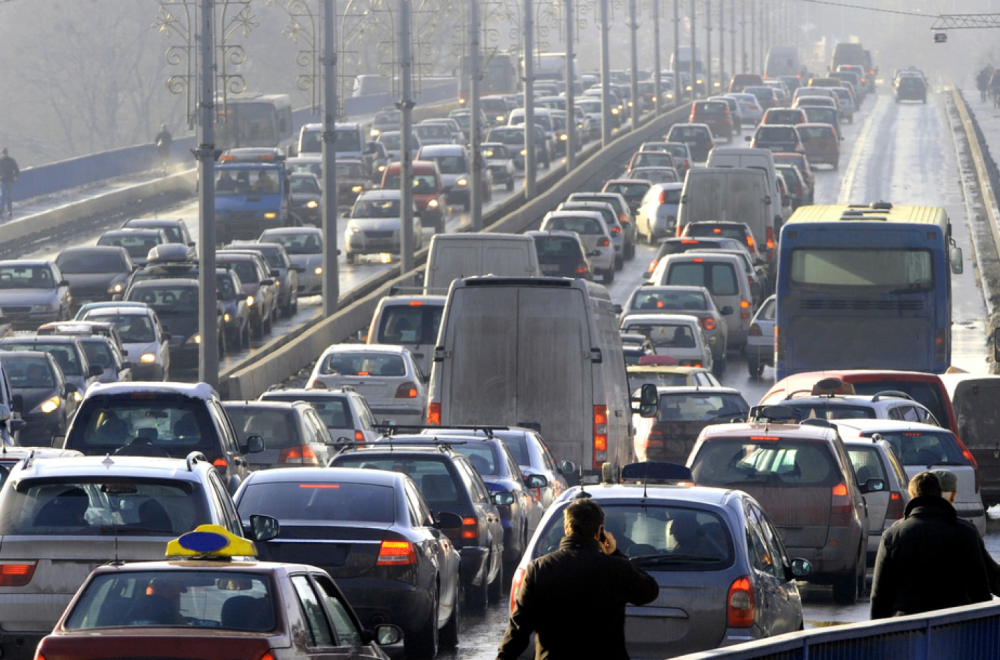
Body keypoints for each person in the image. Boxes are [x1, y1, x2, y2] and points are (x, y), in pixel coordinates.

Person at [496, 498, 659, 659]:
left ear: (566, 529)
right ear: (599, 532)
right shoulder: (617, 568)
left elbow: (519, 630)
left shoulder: (540, 569)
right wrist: (616, 553)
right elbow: (649, 592)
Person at [870, 471, 991, 619]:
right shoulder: (966, 533)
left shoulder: (893, 536)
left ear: (912, 496)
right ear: (940, 495)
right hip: (956, 627)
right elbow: (980, 592)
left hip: (905, 629)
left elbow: (880, 597)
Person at [932, 469, 1000, 595]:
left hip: (907, 614)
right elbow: (991, 577)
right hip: (959, 611)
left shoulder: (894, 534)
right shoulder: (965, 532)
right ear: (953, 496)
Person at [0, 148, 19, 219]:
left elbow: (16, 169)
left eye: (5, 153)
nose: (4, 154)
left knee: (9, 195)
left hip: (10, 180)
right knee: (3, 194)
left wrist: (16, 176)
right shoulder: (1, 161)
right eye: (3, 153)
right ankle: (1, 209)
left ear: (7, 153)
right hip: (2, 180)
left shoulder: (11, 161)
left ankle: (9, 210)